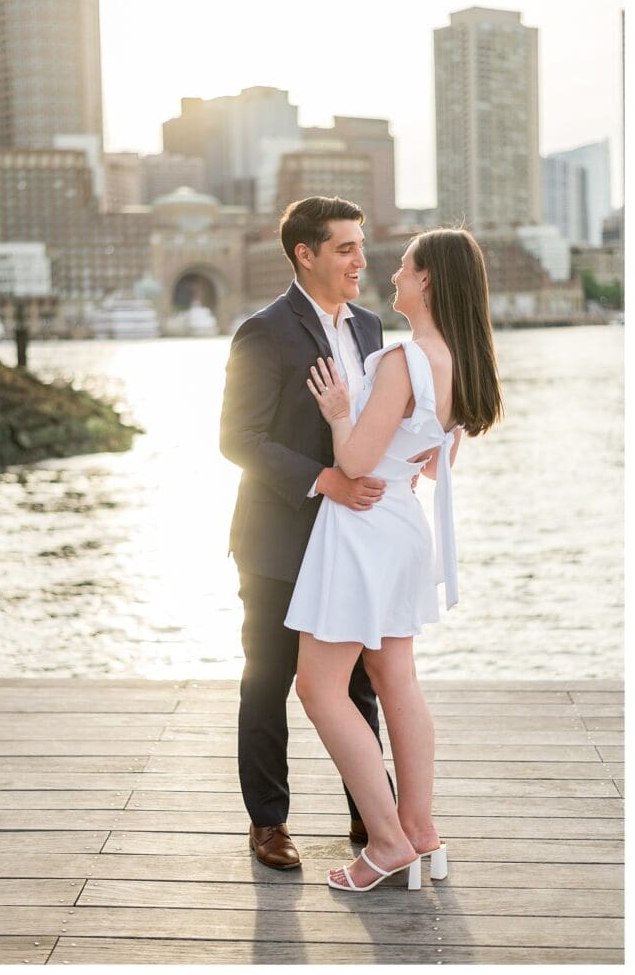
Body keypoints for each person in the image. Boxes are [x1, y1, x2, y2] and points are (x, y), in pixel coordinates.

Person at [285, 227, 504, 892]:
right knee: (397, 678)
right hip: (405, 522)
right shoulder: (463, 361)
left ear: (429, 279)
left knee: (318, 688)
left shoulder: (403, 360)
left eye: (406, 267)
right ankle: (420, 830)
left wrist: (337, 412)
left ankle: (385, 842)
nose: (393, 275)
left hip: (362, 525)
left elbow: (353, 462)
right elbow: (440, 463)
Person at [220, 196, 398, 870]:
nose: (361, 259)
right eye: (346, 248)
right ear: (306, 254)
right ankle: (268, 823)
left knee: (358, 683)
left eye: (361, 245)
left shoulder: (372, 327)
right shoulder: (263, 332)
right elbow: (238, 440)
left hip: (354, 537)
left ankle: (370, 817)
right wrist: (326, 480)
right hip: (279, 540)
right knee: (268, 679)